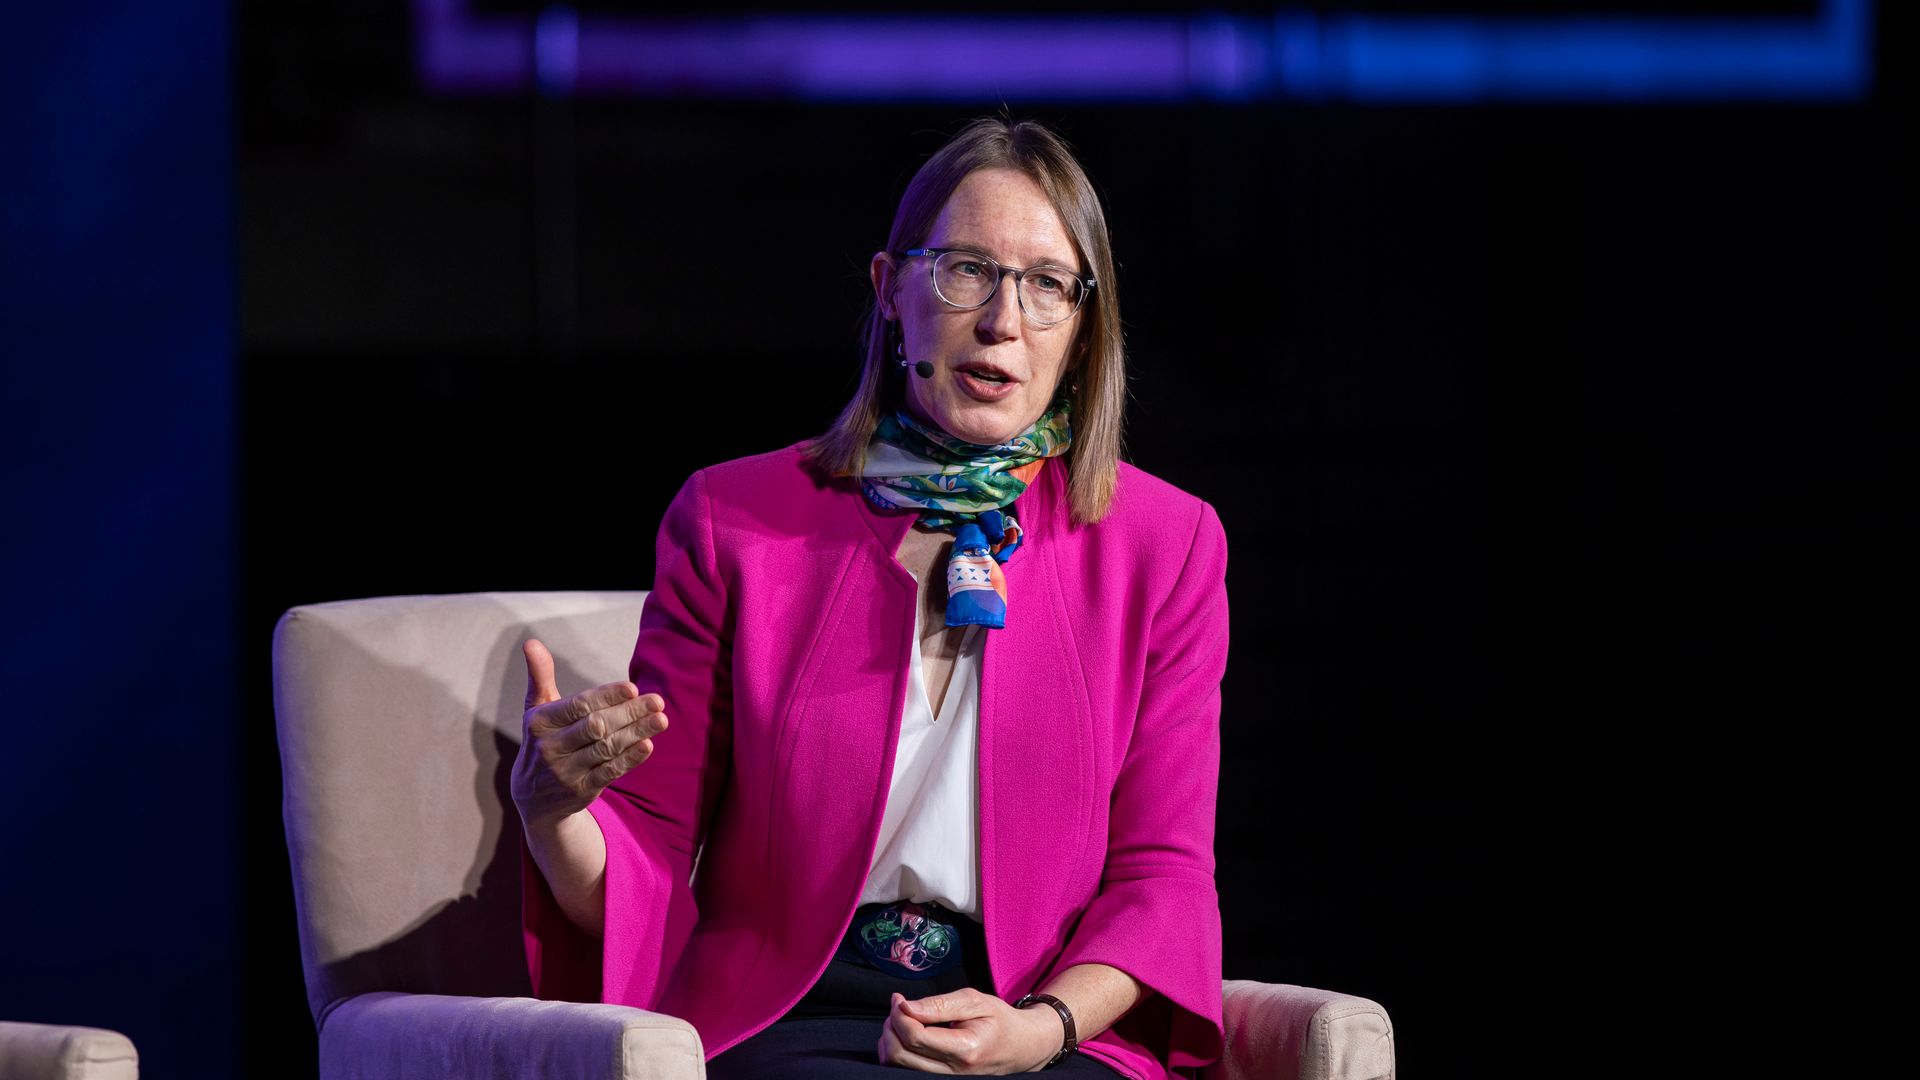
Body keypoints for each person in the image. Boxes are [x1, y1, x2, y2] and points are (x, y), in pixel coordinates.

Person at [511, 116, 1229, 1078]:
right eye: (966, 270)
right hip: (793, 1009)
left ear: (1084, 327)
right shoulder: (735, 521)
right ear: (893, 291)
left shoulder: (1165, 546)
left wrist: (1043, 1027)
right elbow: (646, 850)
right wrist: (552, 811)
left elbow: (1162, 876)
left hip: (1037, 1015)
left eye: (1047, 285)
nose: (1003, 320)